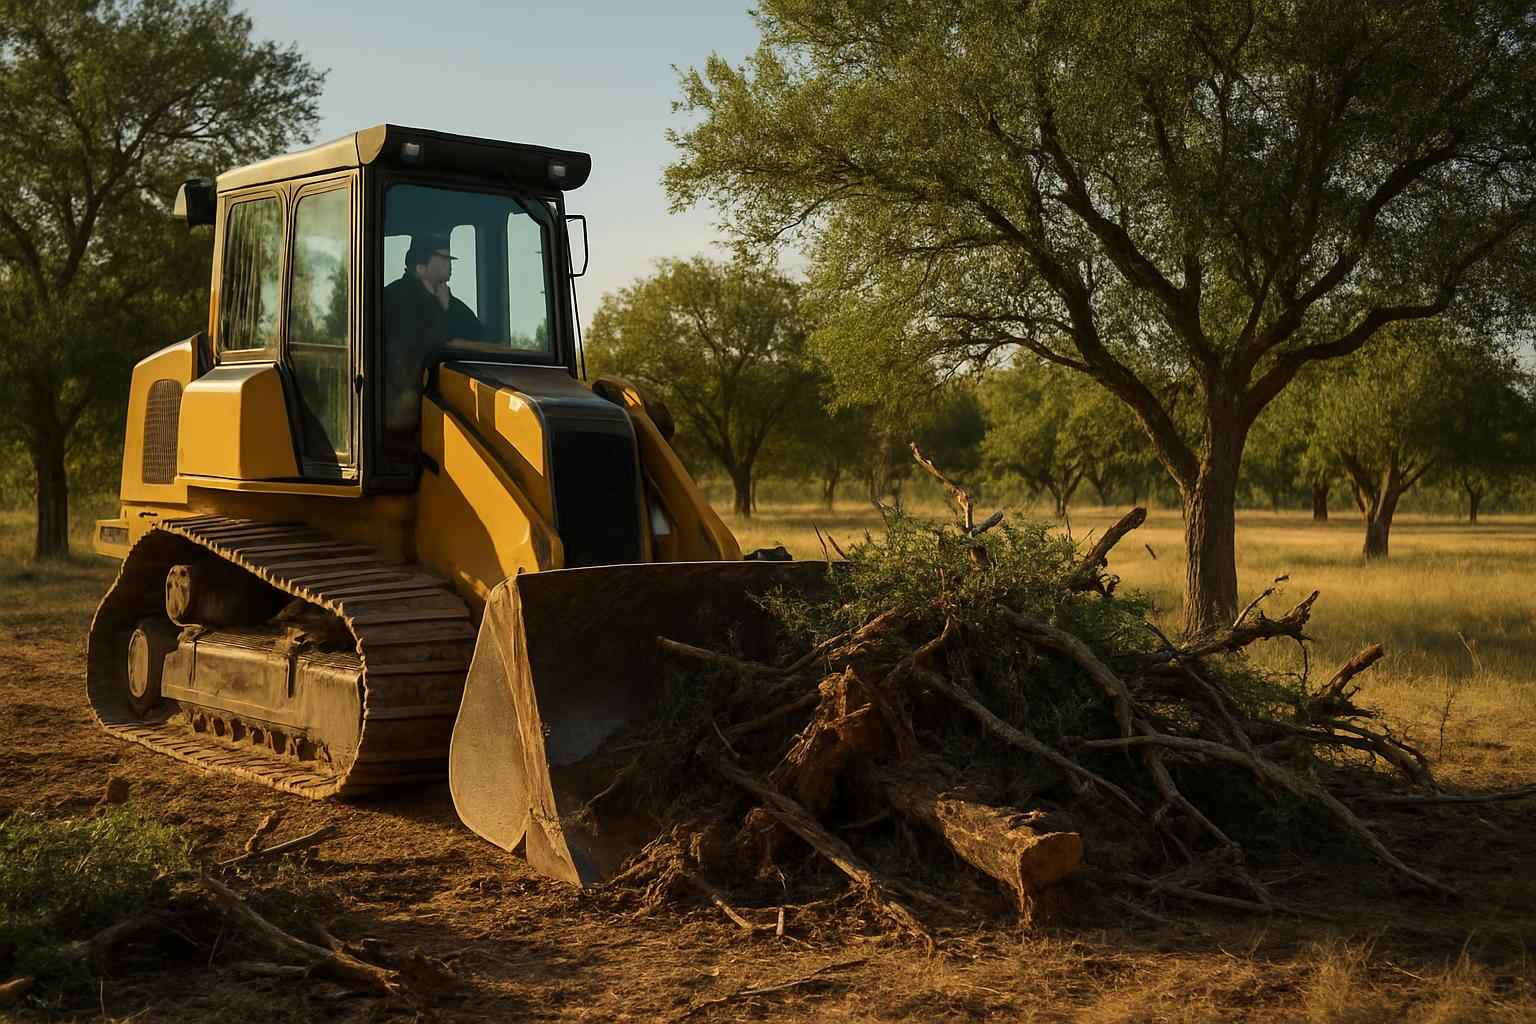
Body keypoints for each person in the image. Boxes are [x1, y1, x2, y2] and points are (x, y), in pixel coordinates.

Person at [382, 234, 482, 434]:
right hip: (406, 404)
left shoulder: (448, 301)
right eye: (444, 259)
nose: (450, 264)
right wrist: (445, 311)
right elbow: (430, 345)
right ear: (420, 267)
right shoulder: (396, 299)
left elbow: (479, 337)